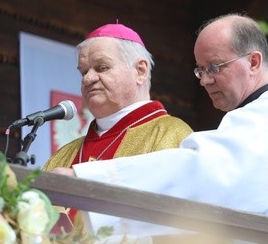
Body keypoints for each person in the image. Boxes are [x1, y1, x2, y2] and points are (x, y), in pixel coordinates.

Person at [53, 14, 268, 239]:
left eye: (214, 67)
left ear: (254, 62)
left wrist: (88, 182)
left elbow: (202, 173)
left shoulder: (265, 120)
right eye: (200, 70)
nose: (205, 80)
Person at [43, 22, 193, 228]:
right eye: (83, 71)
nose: (88, 78)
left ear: (140, 70)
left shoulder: (174, 135)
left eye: (102, 67)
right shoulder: (64, 154)